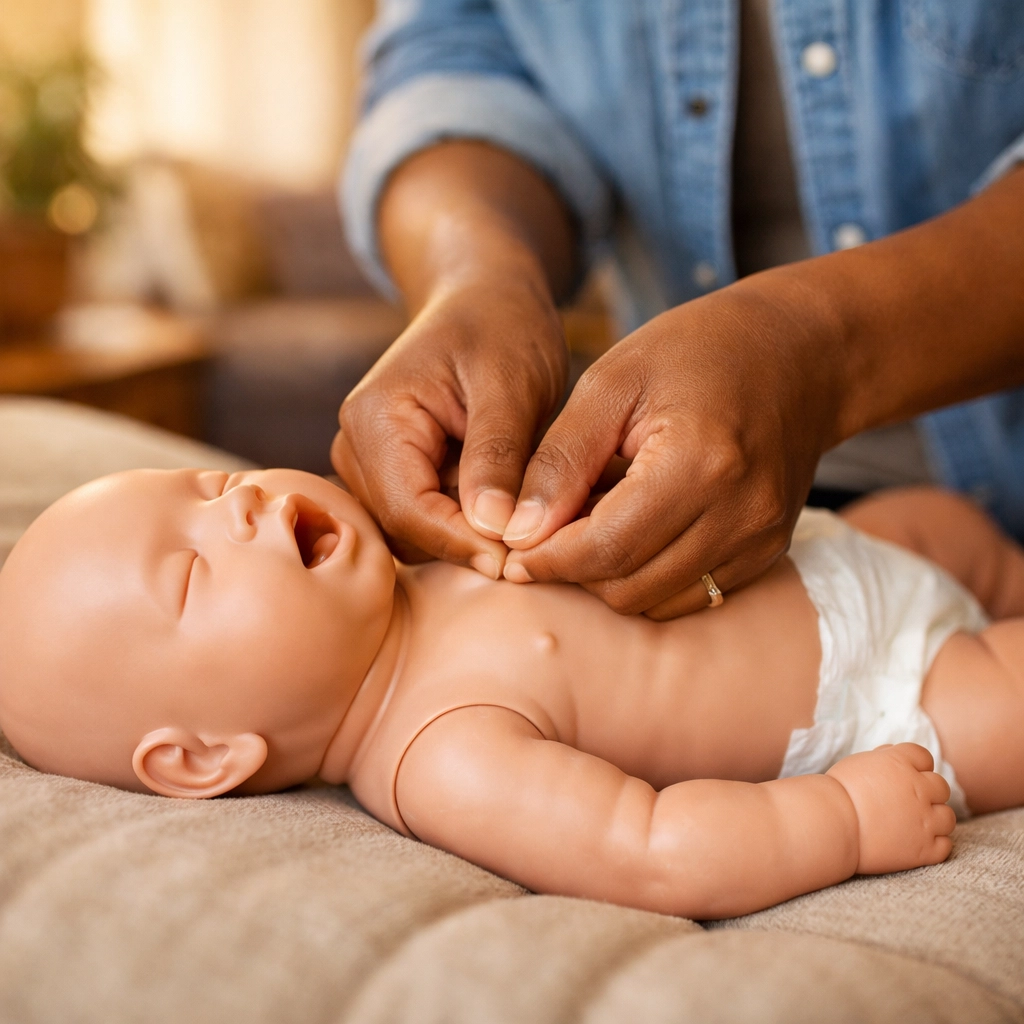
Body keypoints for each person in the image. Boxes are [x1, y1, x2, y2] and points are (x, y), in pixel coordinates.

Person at [3, 467, 1024, 919]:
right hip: (891, 697)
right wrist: (842, 819)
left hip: (835, 552)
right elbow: (650, 850)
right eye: (191, 575)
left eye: (207, 486)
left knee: (953, 527)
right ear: (205, 755)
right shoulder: (441, 751)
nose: (242, 507)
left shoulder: (420, 544)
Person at [333, 0, 1024, 619]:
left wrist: (818, 349)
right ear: (223, 757)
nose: (244, 503)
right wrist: (477, 274)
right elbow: (456, 54)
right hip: (691, 514)